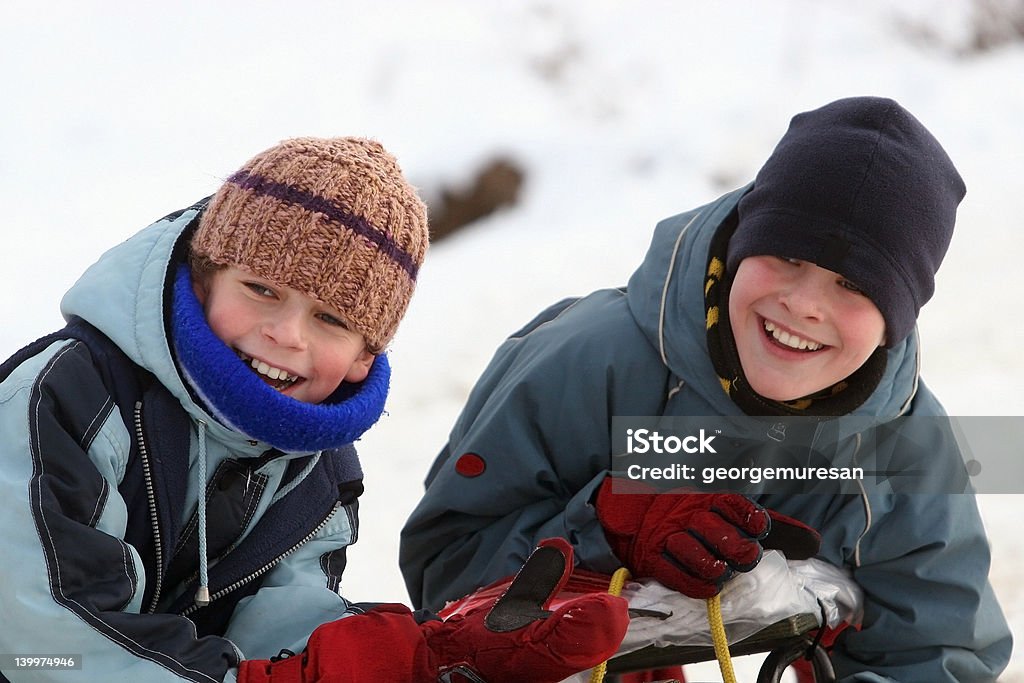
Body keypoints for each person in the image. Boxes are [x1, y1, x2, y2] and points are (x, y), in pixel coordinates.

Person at [399, 97, 1014, 681]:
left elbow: (937, 652)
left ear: (898, 317)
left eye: (854, 285)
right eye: (787, 257)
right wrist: (606, 530)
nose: (802, 304)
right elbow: (443, 578)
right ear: (743, 241)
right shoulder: (589, 360)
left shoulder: (901, 443)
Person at [0, 137, 628, 682]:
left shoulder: (314, 466)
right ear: (204, 277)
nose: (286, 334)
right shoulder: (61, 398)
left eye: (330, 319)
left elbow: (284, 622)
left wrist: (422, 658)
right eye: (261, 289)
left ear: (363, 356)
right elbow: (46, 642)